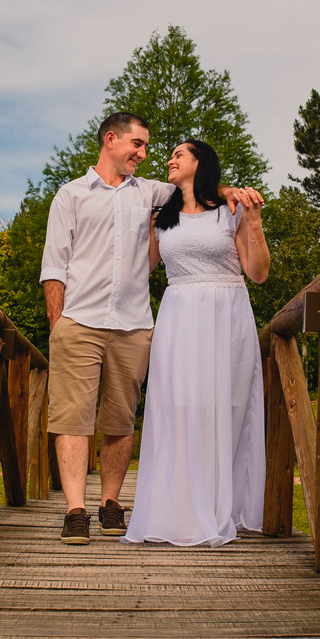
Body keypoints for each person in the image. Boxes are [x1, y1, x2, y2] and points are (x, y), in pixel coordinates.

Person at [40, 113, 261, 544]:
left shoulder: (151, 193)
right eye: (137, 145)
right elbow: (54, 265)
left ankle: (110, 504)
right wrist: (57, 324)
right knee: (72, 417)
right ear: (111, 140)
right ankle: (75, 510)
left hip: (133, 325)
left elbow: (197, 188)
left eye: (147, 148)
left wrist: (228, 190)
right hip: (79, 320)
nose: (145, 155)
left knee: (121, 419)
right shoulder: (70, 195)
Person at [123, 139, 269, 547]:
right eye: (170, 155)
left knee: (223, 407)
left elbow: (257, 274)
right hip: (178, 315)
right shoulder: (160, 218)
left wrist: (254, 224)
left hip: (226, 314)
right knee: (177, 407)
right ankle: (179, 509)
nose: (170, 159)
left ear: (201, 163)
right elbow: (139, 271)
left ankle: (220, 507)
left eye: (179, 154)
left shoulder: (231, 211)